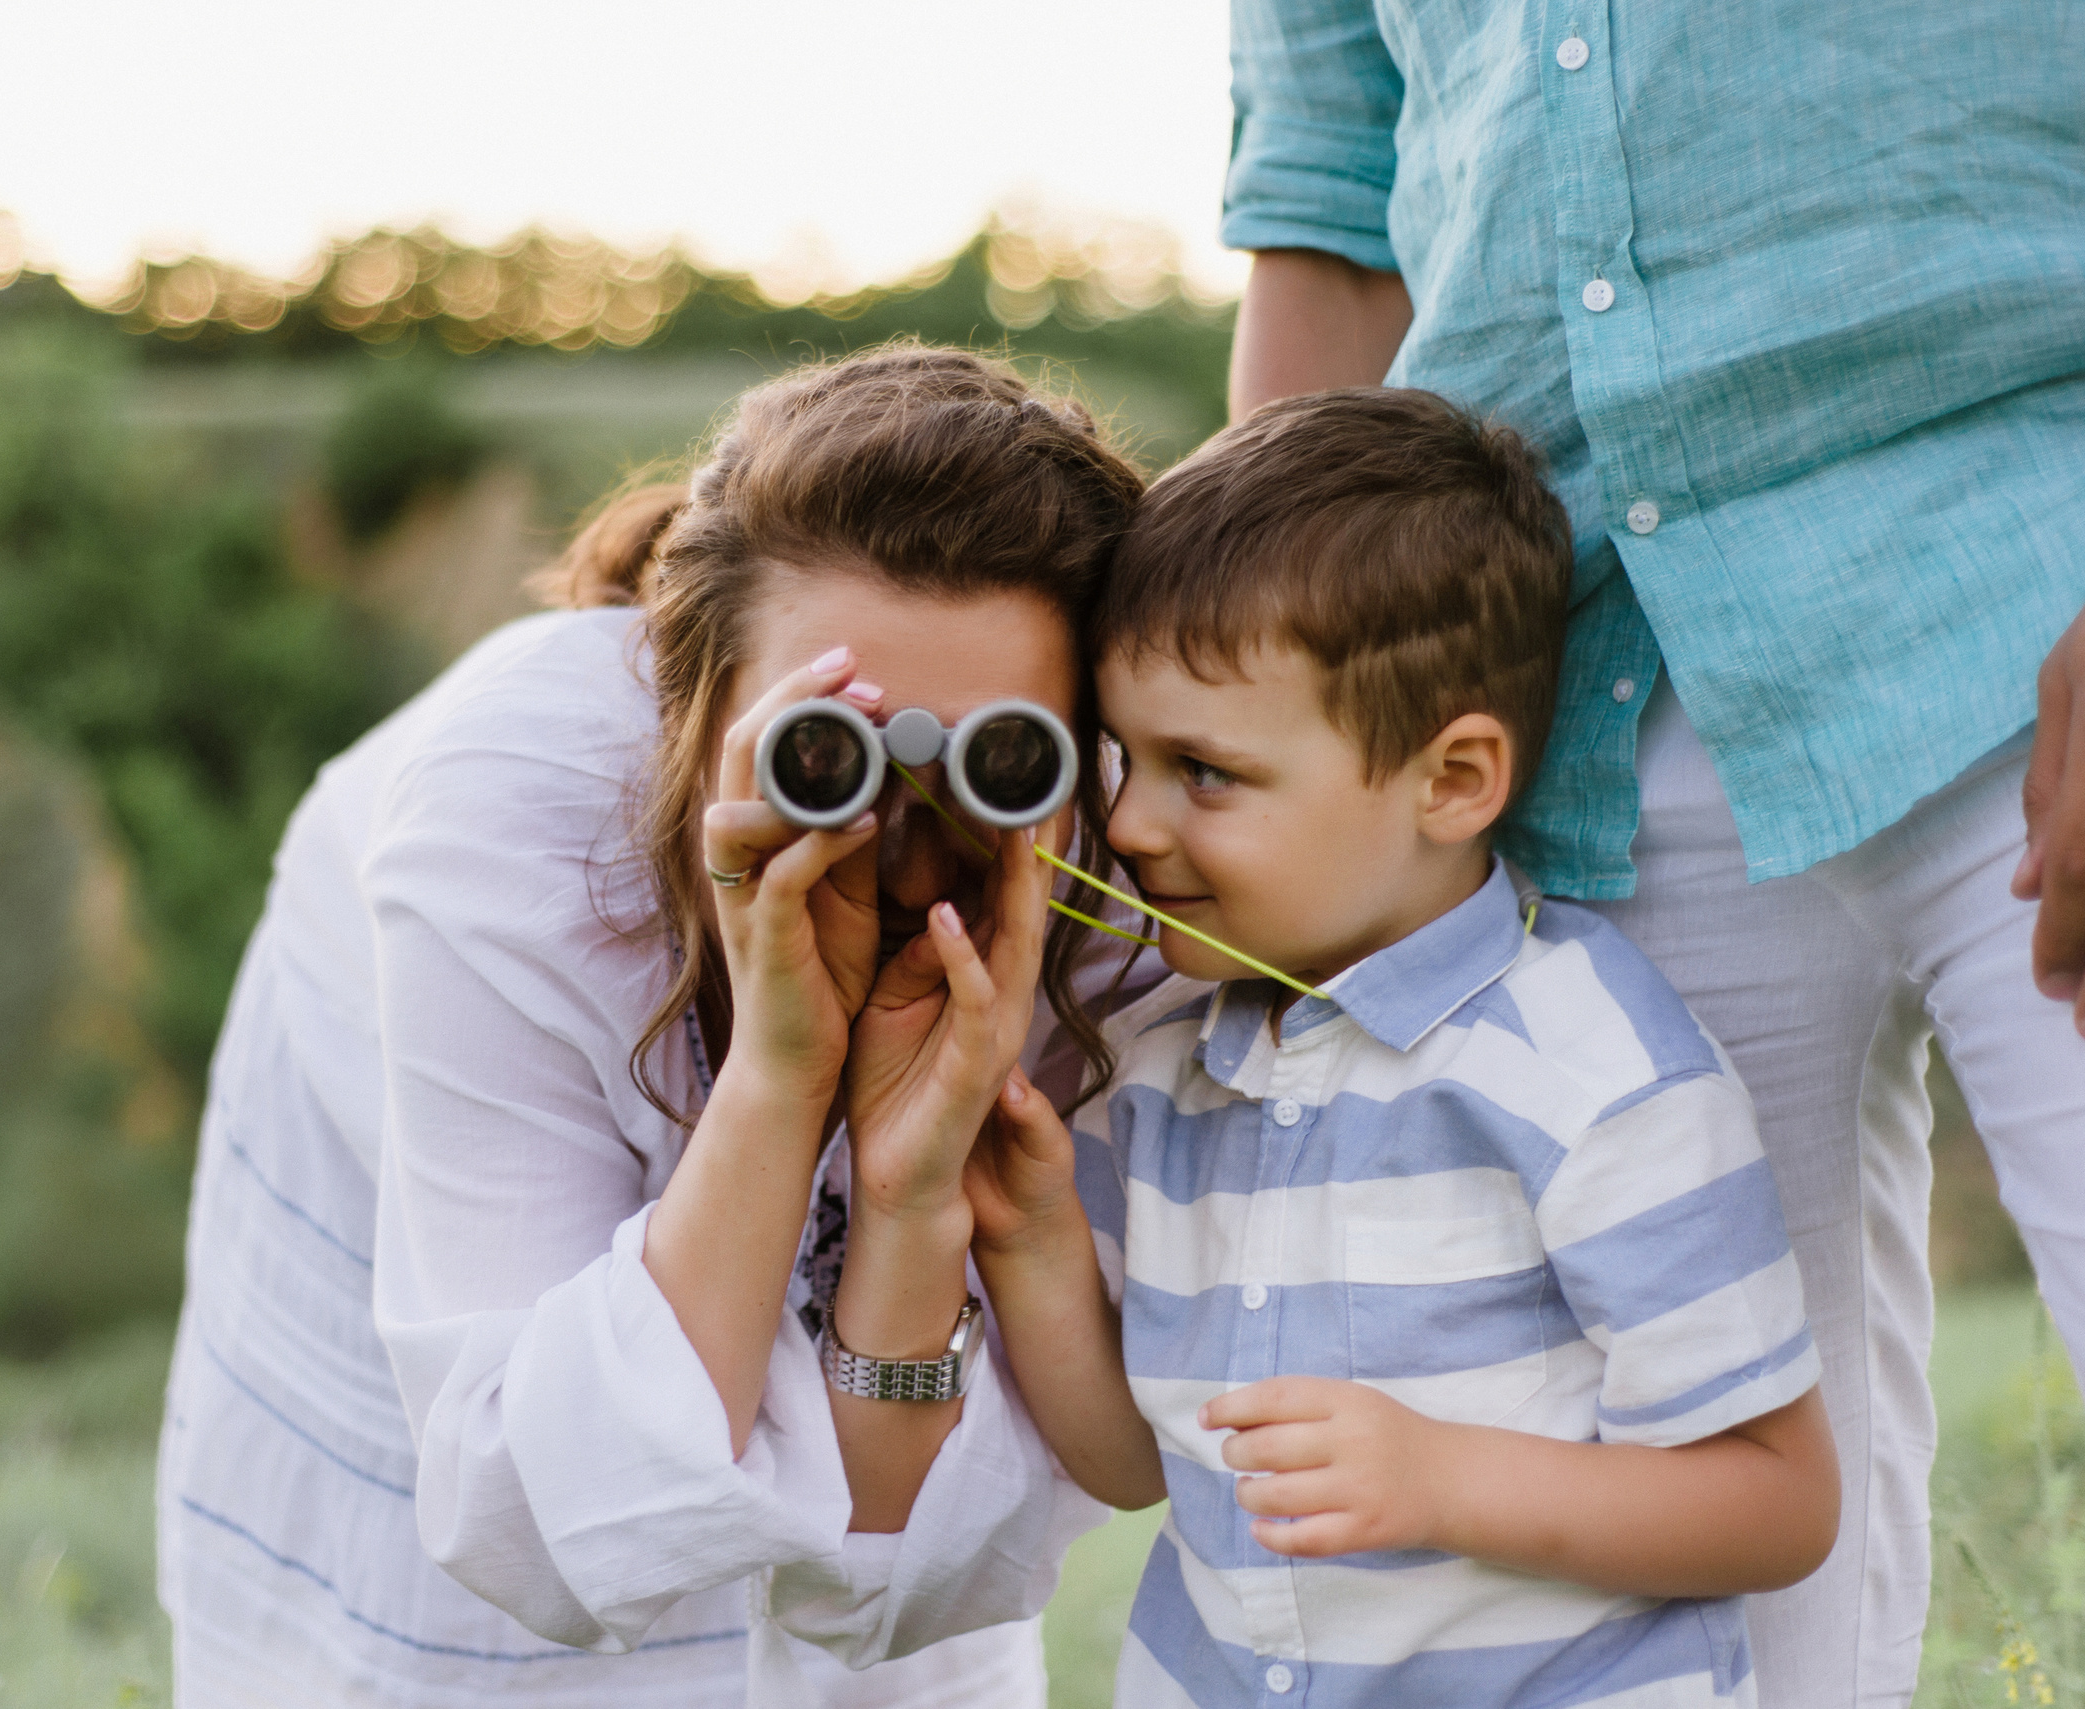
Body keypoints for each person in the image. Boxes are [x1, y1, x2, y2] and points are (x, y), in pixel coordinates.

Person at [1213, 3, 2085, 1699]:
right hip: (1569, 701)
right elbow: (1326, 231)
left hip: (2035, 609)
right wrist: (1274, 753)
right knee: (1682, 1551)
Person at [155, 343, 1143, 1708]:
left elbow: (910, 1568)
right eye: (827, 749)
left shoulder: (1131, 867)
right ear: (682, 708)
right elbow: (534, 1527)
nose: (906, 842)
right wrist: (780, 1080)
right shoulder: (515, 827)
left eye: (999, 761)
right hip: (403, 1120)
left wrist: (914, 1201)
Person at [933, 388, 1837, 1705]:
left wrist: (1439, 1477)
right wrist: (1030, 1243)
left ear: (1453, 780)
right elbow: (1135, 1464)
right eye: (1117, 757)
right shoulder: (1165, 1071)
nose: (1124, 823)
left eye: (1205, 770)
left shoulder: (1589, 1069)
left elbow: (1778, 1503)